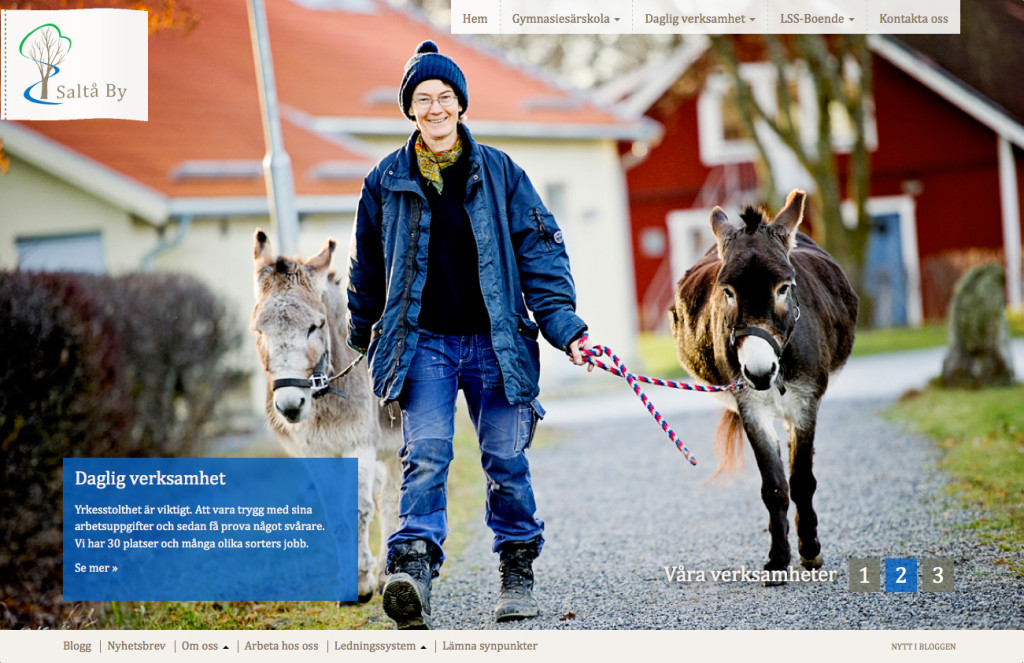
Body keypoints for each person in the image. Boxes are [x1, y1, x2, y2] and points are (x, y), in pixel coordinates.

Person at [346, 40, 590, 630]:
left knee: (505, 458)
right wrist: (359, 332)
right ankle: (414, 576)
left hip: (495, 342)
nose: (435, 108)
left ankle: (516, 571)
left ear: (460, 104)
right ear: (409, 109)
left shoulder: (502, 173)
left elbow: (541, 257)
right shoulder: (384, 181)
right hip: (424, 343)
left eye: (445, 97)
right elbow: (367, 267)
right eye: (423, 98)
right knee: (425, 455)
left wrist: (568, 331)